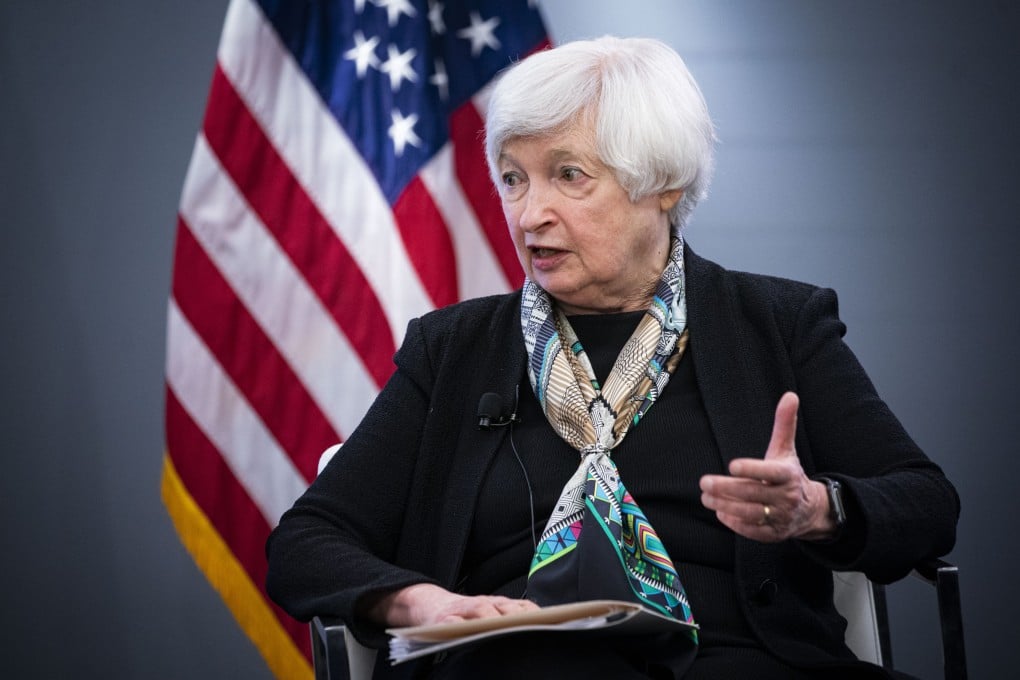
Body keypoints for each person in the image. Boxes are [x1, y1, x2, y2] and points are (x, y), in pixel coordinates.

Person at [266, 36, 958, 679]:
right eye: (513, 179)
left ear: (662, 184)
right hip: (517, 664)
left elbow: (926, 504)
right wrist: (422, 605)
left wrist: (818, 509)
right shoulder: (452, 350)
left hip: (741, 658)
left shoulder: (777, 325)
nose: (530, 213)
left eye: (568, 176)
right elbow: (306, 541)